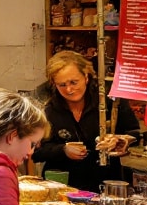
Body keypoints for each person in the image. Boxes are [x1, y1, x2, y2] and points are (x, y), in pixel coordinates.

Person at [32, 50, 140, 191]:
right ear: (53, 83)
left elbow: (135, 133)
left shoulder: (109, 99)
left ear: (86, 76)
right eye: (62, 85)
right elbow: (34, 152)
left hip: (105, 180)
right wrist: (63, 150)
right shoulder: (45, 106)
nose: (69, 89)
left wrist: (121, 140)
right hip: (61, 183)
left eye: (74, 82)